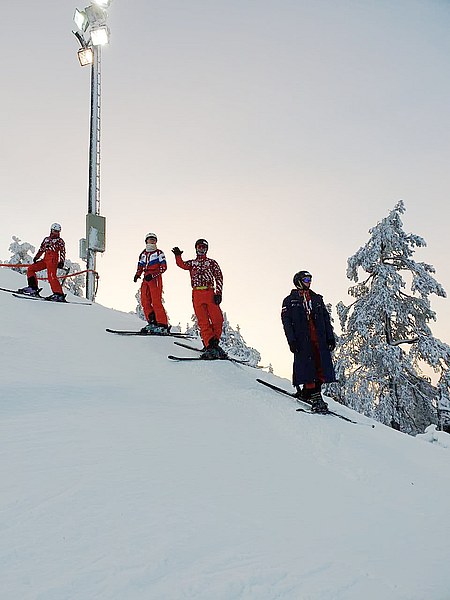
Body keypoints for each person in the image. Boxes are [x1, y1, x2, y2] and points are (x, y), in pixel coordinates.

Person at [281, 270, 336, 413]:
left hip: (319, 338)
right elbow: (286, 322)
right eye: (306, 280)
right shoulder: (289, 301)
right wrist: (291, 341)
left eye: (310, 279)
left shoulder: (317, 299)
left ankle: (313, 392)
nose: (309, 282)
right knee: (306, 365)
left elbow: (325, 319)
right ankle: (310, 392)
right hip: (302, 340)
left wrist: (330, 337)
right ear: (298, 281)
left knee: (320, 365)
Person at [172, 238, 226, 359]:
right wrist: (178, 256)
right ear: (196, 249)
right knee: (203, 321)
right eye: (199, 247)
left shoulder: (211, 263)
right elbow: (182, 265)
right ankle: (209, 344)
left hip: (210, 292)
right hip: (197, 293)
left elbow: (219, 277)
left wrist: (218, 293)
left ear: (206, 249)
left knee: (217, 319)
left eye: (203, 247)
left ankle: (214, 344)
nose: (201, 249)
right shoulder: (192, 263)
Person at [18, 223, 66, 302]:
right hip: (45, 259)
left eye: (57, 231)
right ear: (51, 230)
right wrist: (37, 256)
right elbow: (42, 249)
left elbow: (62, 252)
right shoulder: (46, 239)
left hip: (53, 260)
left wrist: (61, 261)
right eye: (54, 231)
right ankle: (33, 287)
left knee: (51, 276)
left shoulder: (60, 241)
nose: (56, 233)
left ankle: (59, 294)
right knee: (31, 269)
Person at [134, 233, 169, 334]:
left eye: (154, 240)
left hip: (155, 278)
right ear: (146, 241)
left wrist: (153, 275)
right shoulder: (143, 254)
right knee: (145, 300)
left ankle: (162, 324)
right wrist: (137, 274)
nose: (152, 241)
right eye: (150, 240)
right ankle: (152, 321)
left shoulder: (159, 253)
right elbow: (140, 265)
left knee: (156, 300)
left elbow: (164, 267)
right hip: (146, 278)